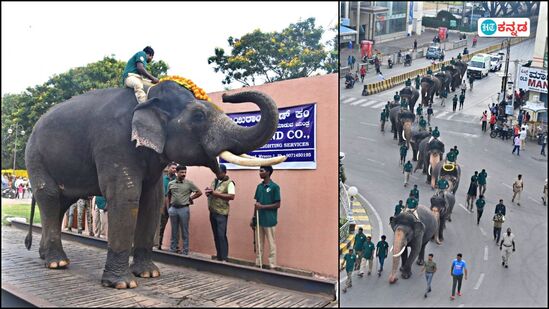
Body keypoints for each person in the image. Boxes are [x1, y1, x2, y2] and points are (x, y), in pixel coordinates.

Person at [167, 165, 202, 255]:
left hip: (184, 209)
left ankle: (185, 250)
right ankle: (173, 249)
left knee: (184, 231)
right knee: (174, 230)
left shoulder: (189, 183)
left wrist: (191, 198)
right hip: (173, 209)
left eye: (185, 172)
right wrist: (169, 208)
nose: (184, 174)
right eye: (182, 172)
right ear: (177, 173)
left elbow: (199, 192)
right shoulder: (171, 183)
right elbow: (169, 196)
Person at [253, 165, 281, 269]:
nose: (260, 173)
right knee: (259, 244)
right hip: (259, 219)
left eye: (262, 171)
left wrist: (263, 207)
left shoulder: (275, 187)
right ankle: (258, 263)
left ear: (268, 172)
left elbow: (277, 204)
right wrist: (253, 218)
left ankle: (272, 265)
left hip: (270, 220)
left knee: (271, 244)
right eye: (259, 171)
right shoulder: (259, 187)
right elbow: (257, 203)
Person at [206, 164, 235, 262]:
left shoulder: (230, 183)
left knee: (221, 235)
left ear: (224, 172)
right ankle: (219, 256)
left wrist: (216, 194)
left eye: (219, 173)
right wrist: (209, 192)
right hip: (213, 211)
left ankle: (224, 258)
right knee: (216, 235)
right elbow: (212, 192)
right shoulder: (214, 181)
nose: (217, 175)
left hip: (222, 213)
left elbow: (231, 196)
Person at [156, 162, 177, 250]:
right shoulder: (163, 179)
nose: (174, 170)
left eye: (175, 168)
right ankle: (159, 244)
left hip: (174, 205)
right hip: (163, 205)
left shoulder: (178, 180)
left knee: (175, 226)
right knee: (161, 225)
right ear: (168, 168)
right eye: (172, 168)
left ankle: (174, 246)